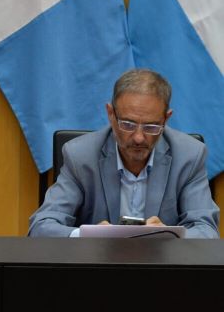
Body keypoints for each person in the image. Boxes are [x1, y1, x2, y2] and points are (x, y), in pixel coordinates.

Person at [29, 69, 219, 238]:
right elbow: (41, 227)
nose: (138, 138)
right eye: (128, 124)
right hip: (98, 263)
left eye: (151, 127)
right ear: (111, 114)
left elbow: (206, 230)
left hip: (163, 263)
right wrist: (87, 235)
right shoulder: (80, 155)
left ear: (166, 119)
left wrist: (170, 236)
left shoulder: (189, 155)